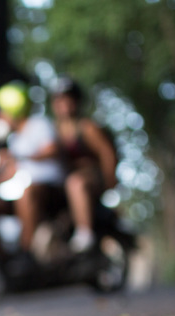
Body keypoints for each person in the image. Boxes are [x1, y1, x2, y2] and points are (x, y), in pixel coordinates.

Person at [0, 81, 66, 254]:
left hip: (50, 186)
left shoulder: (39, 124)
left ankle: (26, 250)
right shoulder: (13, 139)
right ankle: (0, 254)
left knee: (26, 193)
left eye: (0, 110)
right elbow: (13, 169)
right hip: (25, 186)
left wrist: (19, 156)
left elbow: (51, 149)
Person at [50, 77, 118, 252]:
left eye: (68, 99)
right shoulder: (52, 131)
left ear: (77, 102)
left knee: (75, 182)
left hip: (90, 177)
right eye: (59, 99)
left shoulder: (87, 127)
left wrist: (109, 182)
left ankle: (84, 234)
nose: (63, 103)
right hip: (61, 182)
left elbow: (107, 154)